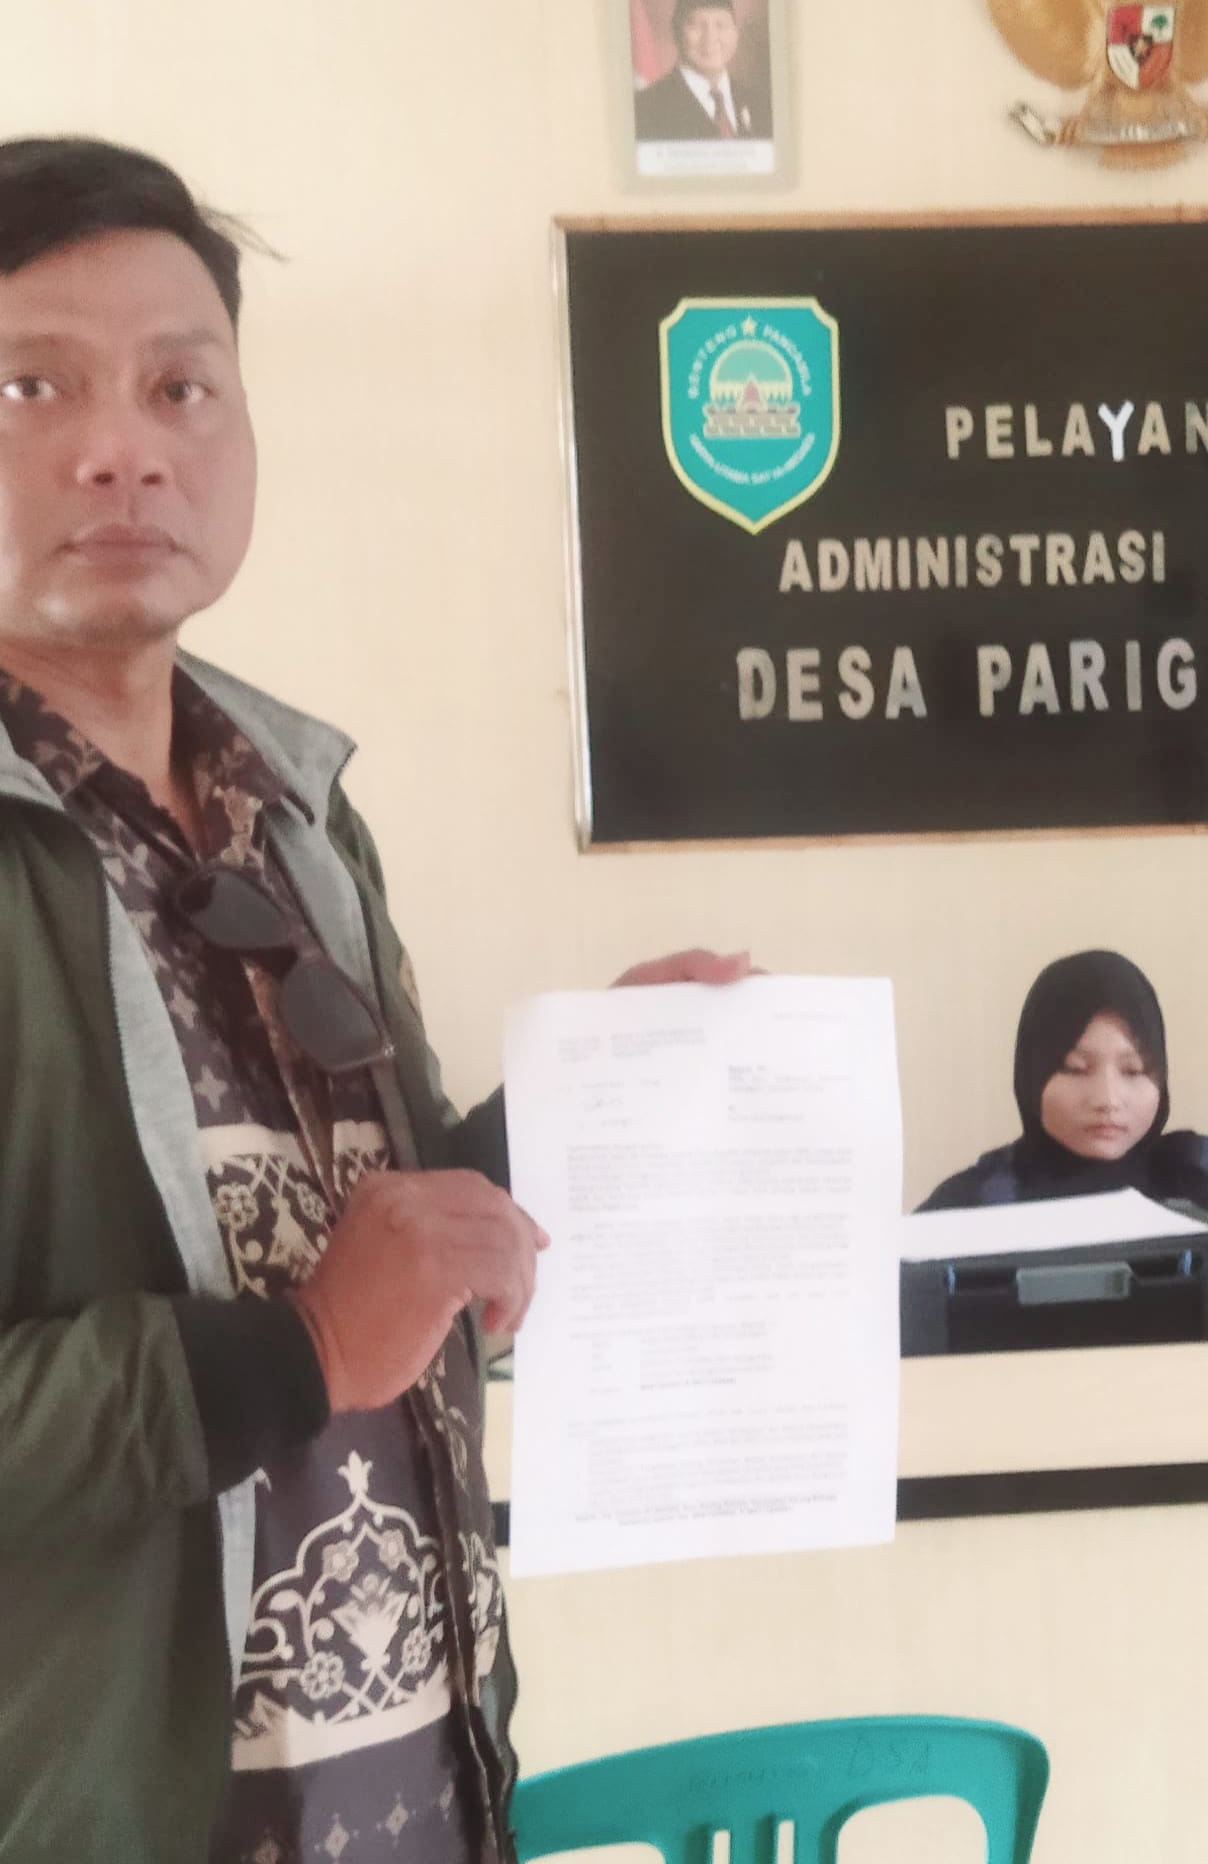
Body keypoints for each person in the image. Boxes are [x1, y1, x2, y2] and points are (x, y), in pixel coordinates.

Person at [0, 135, 750, 1861]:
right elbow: (321, 1321)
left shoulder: (298, 812)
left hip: (421, 1798)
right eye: (36, 385)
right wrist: (301, 1351)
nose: (126, 446)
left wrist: (566, 1118)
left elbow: (349, 1239)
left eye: (182, 386)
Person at [916, 949, 1208, 1213]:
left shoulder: (1206, 1184)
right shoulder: (970, 1206)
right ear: (1032, 1075)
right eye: (1076, 1069)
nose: (1107, 1099)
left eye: (1133, 1071)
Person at [633, 0, 772, 144]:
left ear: (735, 32)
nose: (710, 38)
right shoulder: (646, 110)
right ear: (676, 31)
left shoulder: (761, 106)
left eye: (721, 25)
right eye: (697, 25)